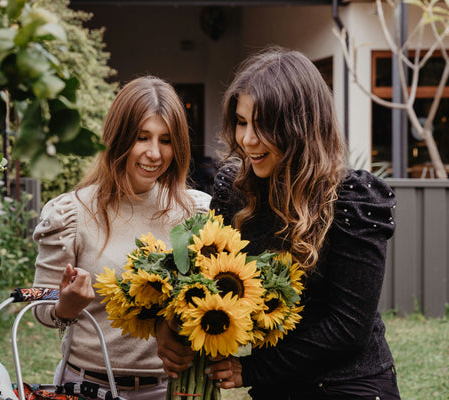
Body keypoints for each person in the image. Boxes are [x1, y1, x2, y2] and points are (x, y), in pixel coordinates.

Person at [156, 47, 401, 399]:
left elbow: (348, 328)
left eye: (264, 125)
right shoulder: (234, 190)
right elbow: (212, 283)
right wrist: (172, 326)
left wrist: (252, 369)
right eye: (242, 122)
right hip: (276, 388)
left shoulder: (352, 198)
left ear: (301, 126)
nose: (248, 139)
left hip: (347, 385)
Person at [32, 75, 211, 400]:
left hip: (168, 390)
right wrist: (65, 306)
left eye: (166, 140)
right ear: (119, 137)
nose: (155, 153)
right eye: (142, 137)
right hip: (86, 388)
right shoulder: (72, 213)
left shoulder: (194, 212)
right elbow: (40, 307)